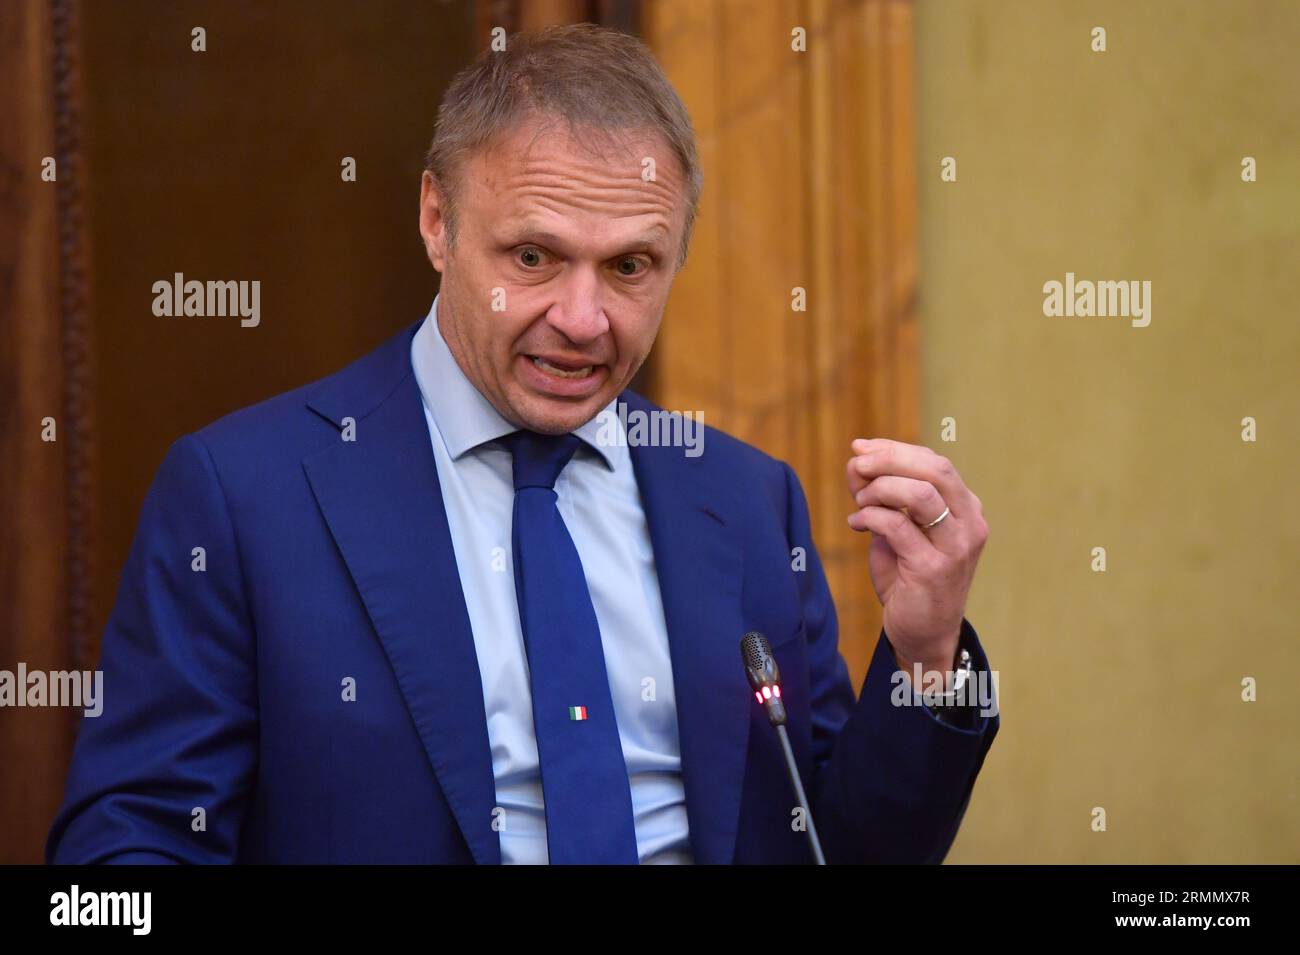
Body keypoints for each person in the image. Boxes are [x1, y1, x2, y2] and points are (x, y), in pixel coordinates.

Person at [47, 23, 997, 865]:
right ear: (437, 221)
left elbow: (839, 844)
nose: (582, 319)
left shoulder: (747, 503)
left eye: (630, 266)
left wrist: (922, 659)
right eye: (534, 257)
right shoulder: (246, 495)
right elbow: (132, 845)